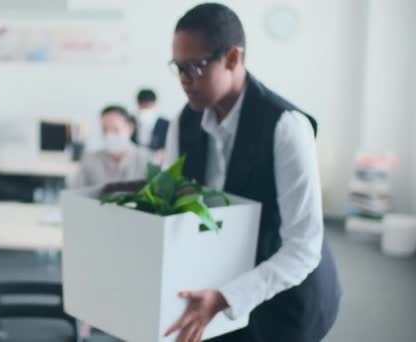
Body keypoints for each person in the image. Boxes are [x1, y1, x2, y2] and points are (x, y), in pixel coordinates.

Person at [162, 4, 341, 342]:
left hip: (286, 299)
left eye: (196, 67)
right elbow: (177, 211)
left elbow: (303, 248)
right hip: (215, 290)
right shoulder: (182, 123)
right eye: (179, 68)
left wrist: (227, 297)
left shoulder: (286, 127)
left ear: (232, 58)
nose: (185, 81)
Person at [68, 105, 150, 188]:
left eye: (115, 129)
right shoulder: (90, 159)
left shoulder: (146, 159)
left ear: (130, 128)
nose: (109, 135)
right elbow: (75, 193)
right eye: (105, 129)